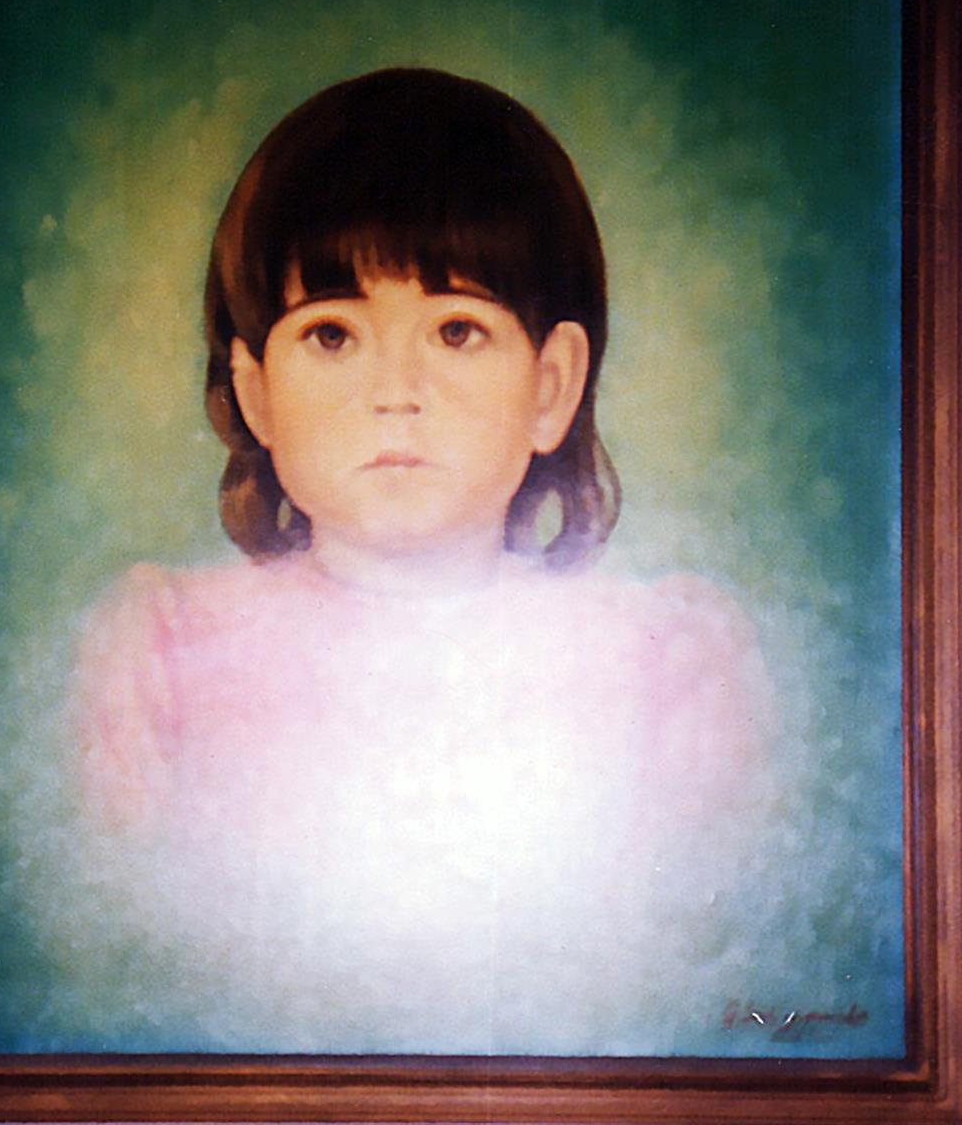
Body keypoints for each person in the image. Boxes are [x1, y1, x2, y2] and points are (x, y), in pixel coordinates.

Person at [73, 68, 775, 1053]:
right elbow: (116, 968)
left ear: (551, 385)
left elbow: (703, 967)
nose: (394, 391)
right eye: (331, 333)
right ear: (256, 389)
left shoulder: (666, 662)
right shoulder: (161, 651)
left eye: (456, 329)